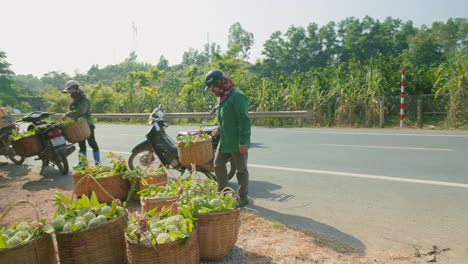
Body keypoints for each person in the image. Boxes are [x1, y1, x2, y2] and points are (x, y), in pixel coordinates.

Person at [204, 69, 251, 206]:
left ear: (220, 82)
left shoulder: (237, 96)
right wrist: (218, 129)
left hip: (237, 141)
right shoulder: (223, 98)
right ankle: (223, 191)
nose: (212, 90)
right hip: (225, 140)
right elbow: (226, 119)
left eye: (213, 87)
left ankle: (243, 196)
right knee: (218, 164)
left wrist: (243, 142)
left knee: (241, 170)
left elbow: (243, 120)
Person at [61, 80, 100, 166]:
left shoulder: (84, 100)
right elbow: (74, 112)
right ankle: (82, 164)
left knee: (92, 143)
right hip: (78, 125)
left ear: (75, 88)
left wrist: (67, 114)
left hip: (87, 125)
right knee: (81, 145)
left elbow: (81, 111)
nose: (69, 92)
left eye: (70, 90)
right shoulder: (74, 100)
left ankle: (97, 164)